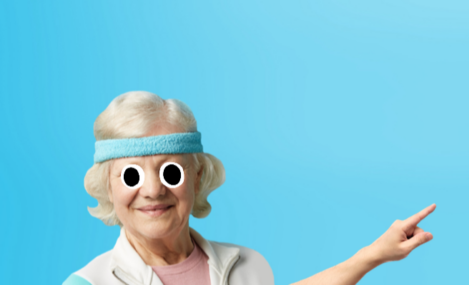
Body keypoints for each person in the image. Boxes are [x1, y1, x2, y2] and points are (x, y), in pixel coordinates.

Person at [66, 91, 435, 285]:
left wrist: (373, 254)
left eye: (170, 173)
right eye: (131, 176)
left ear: (197, 177)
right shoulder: (90, 284)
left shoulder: (248, 267)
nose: (152, 191)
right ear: (107, 187)